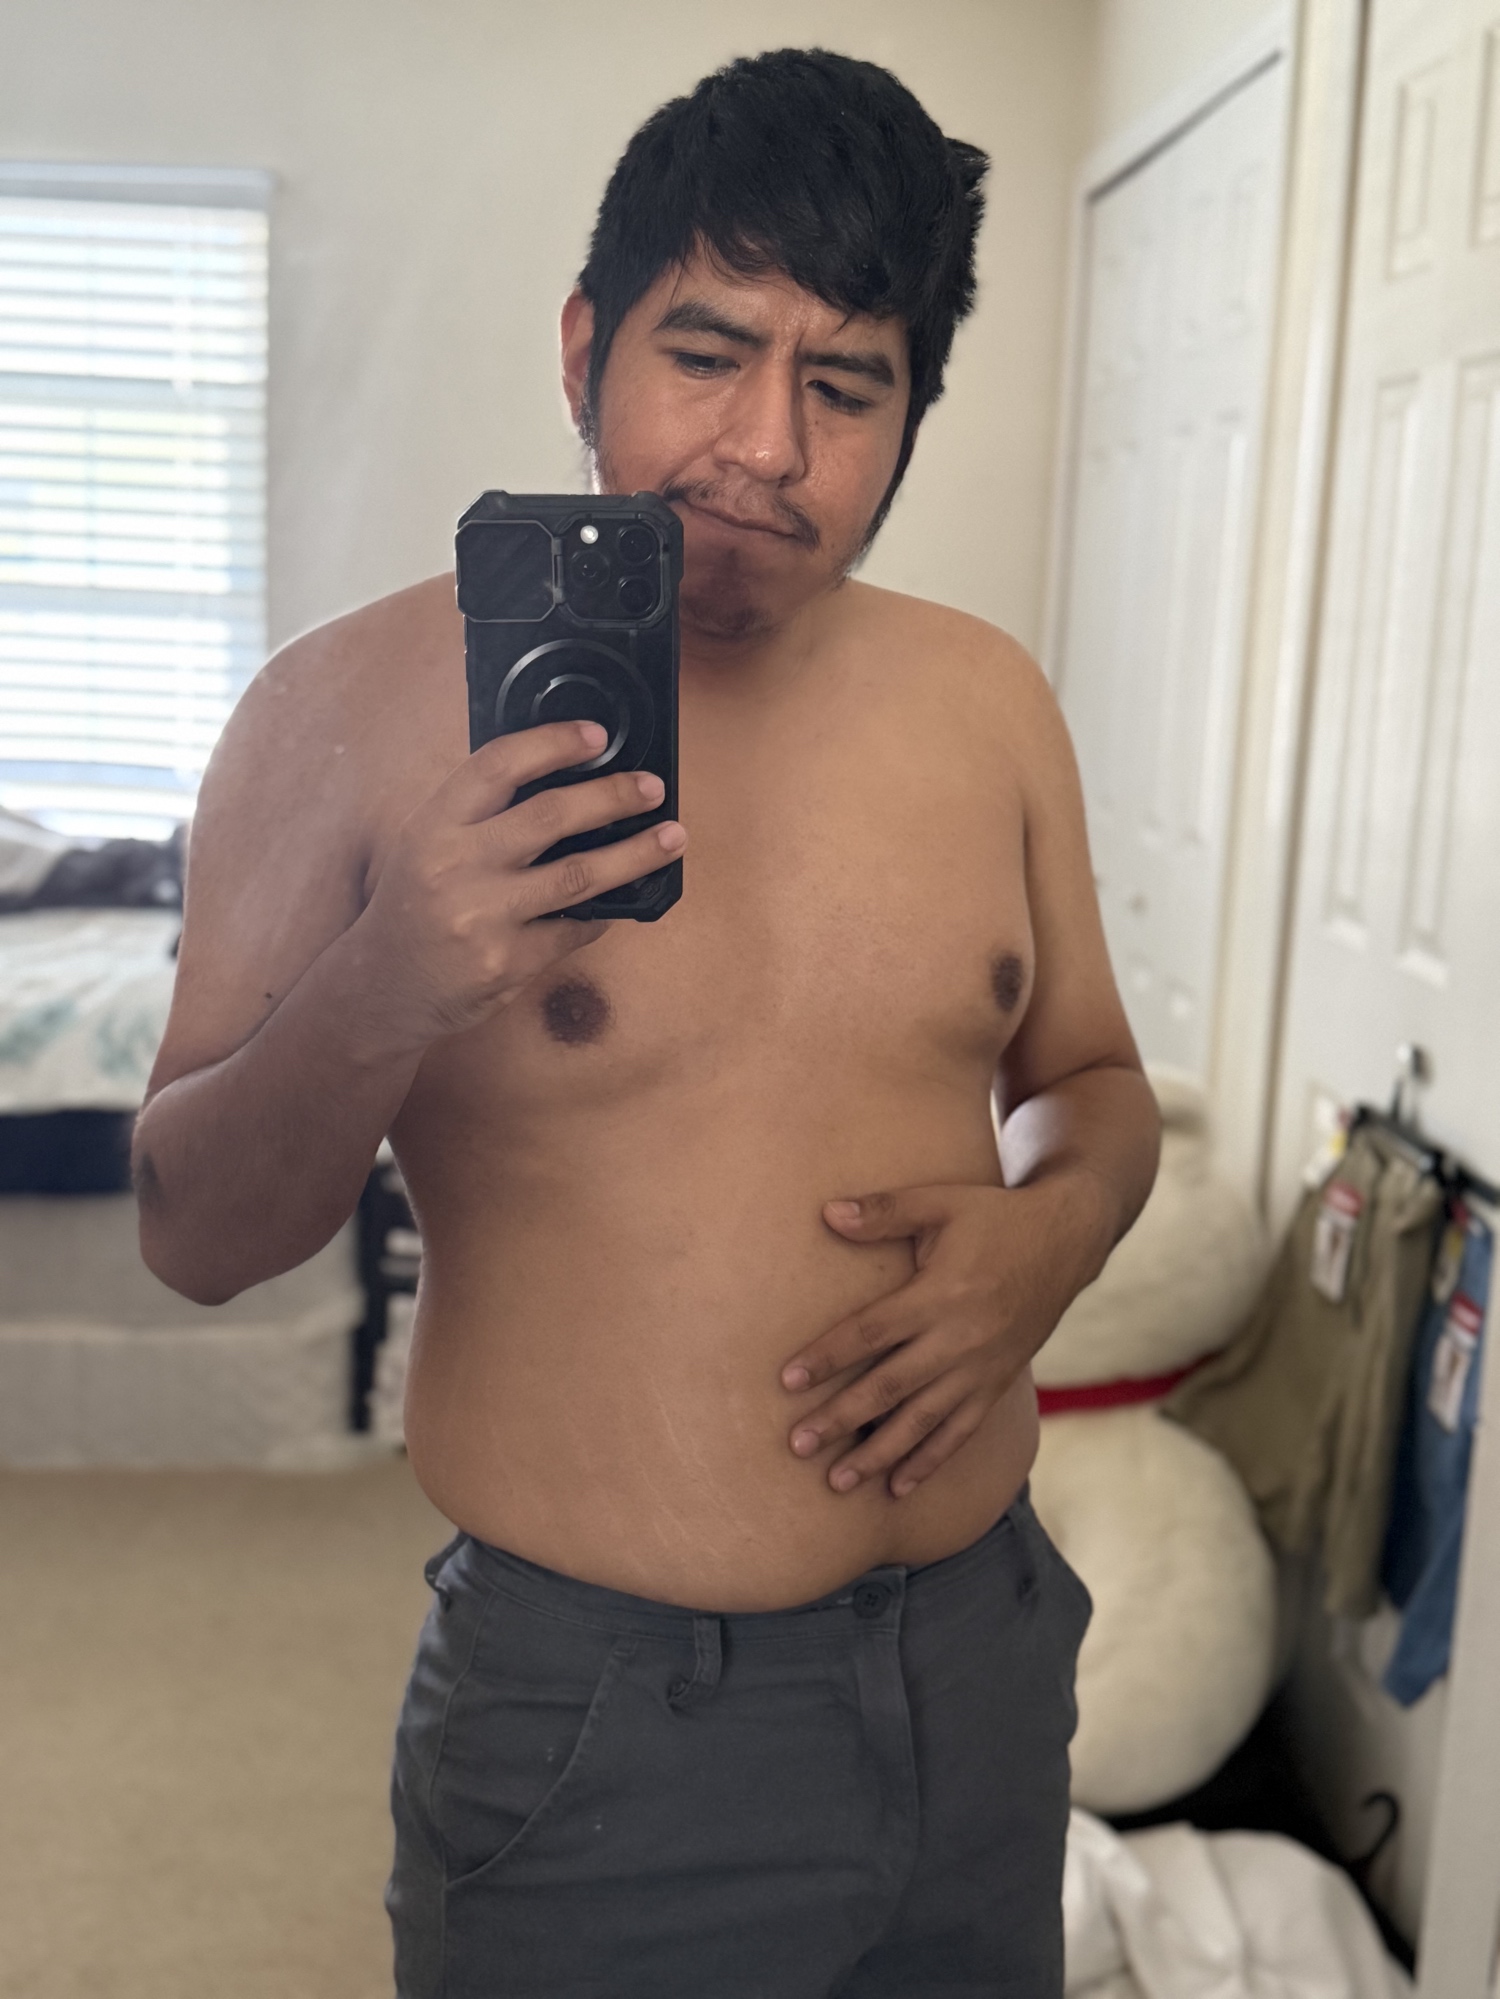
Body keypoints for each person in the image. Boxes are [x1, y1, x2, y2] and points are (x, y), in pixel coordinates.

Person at [135, 47, 1160, 1999]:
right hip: (602, 1728)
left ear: (910, 418)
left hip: (983, 1659)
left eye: (845, 384)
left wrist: (1055, 1233)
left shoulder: (989, 705)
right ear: (583, 346)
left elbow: (1093, 1085)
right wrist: (386, 981)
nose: (765, 447)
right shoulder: (333, 715)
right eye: (707, 352)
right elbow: (194, 1233)